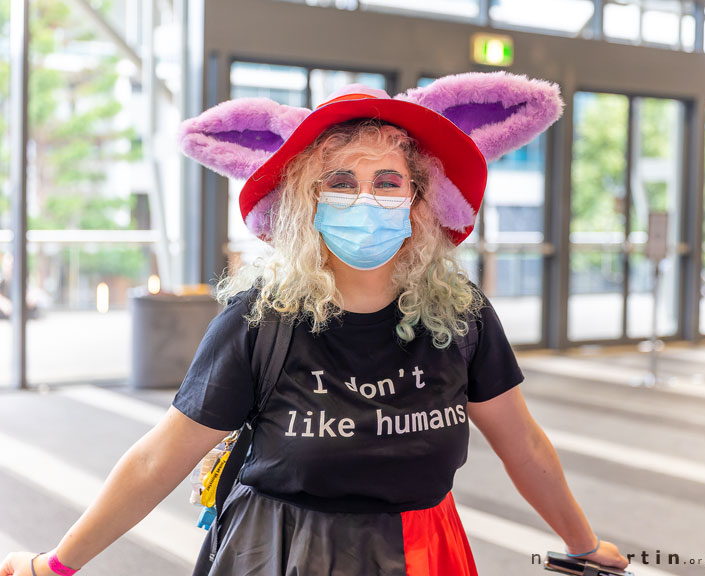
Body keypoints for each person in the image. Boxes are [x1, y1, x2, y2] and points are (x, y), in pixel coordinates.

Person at [1, 72, 630, 576]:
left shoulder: (459, 315)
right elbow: (158, 459)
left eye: (388, 182)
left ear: (418, 202)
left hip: (424, 550)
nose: (366, 199)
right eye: (341, 181)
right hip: (281, 549)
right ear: (307, 201)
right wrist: (58, 565)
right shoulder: (259, 319)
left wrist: (582, 542)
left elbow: (523, 444)